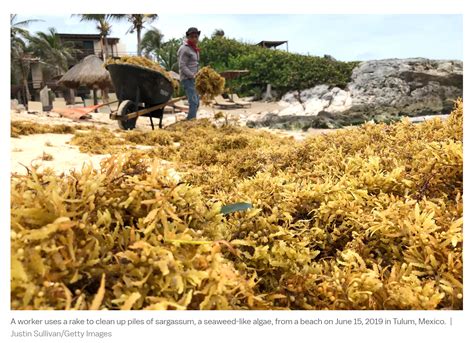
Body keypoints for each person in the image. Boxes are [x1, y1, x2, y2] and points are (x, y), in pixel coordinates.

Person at [178, 27, 201, 120]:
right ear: (188, 37)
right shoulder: (184, 49)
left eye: (196, 36)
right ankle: (191, 121)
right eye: (192, 37)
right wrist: (192, 75)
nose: (194, 38)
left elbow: (195, 64)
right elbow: (182, 65)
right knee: (193, 102)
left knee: (197, 102)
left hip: (194, 79)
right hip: (188, 79)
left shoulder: (194, 49)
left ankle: (191, 118)